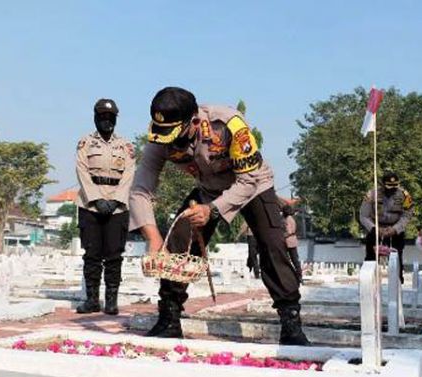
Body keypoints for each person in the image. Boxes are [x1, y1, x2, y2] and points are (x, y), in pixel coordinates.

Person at [129, 86, 309, 345]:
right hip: (208, 188)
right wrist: (153, 238)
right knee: (178, 241)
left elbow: (247, 181)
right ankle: (169, 318)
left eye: (175, 134)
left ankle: (291, 325)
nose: (169, 141)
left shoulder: (228, 124)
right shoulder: (161, 134)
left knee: (272, 244)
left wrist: (212, 210)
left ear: (193, 121)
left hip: (252, 186)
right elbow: (140, 188)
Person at [75, 98, 136, 315]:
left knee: (113, 255)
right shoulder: (85, 144)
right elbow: (81, 171)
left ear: (115, 120)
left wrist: (116, 200)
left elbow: (129, 174)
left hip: (117, 207)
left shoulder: (126, 146)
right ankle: (92, 300)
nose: (106, 121)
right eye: (102, 117)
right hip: (90, 206)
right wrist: (96, 199)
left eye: (110, 118)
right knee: (91, 254)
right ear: (95, 118)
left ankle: (111, 301)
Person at [359, 170, 414, 282]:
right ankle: (368, 283)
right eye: (389, 186)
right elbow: (363, 216)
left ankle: (398, 283)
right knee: (370, 258)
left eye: (395, 186)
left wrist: (395, 229)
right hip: (376, 228)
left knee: (397, 258)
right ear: (382, 184)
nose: (392, 189)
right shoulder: (371, 195)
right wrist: (374, 228)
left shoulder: (404, 195)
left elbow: (407, 215)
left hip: (395, 230)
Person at [282, 203, 302, 283]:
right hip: (293, 241)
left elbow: (289, 231)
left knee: (290, 259)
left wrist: (282, 235)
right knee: (295, 259)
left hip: (289, 241)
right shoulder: (291, 218)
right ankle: (299, 275)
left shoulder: (288, 219)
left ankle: (296, 276)